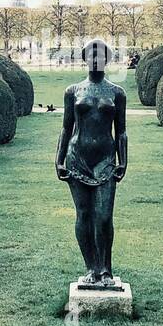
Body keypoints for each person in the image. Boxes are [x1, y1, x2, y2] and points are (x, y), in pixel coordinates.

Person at [56, 40, 127, 288]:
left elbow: (121, 132)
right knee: (84, 214)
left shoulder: (117, 93)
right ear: (85, 58)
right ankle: (91, 268)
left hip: (105, 160)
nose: (96, 59)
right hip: (77, 159)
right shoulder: (73, 90)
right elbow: (66, 128)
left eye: (101, 55)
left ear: (107, 59)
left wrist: (123, 161)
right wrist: (59, 159)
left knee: (104, 217)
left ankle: (106, 269)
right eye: (91, 55)